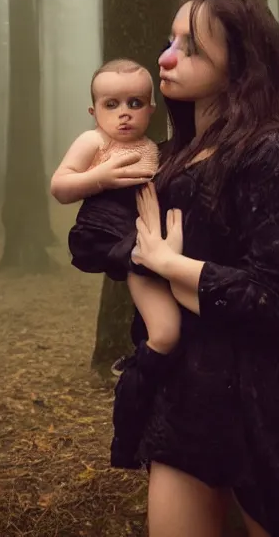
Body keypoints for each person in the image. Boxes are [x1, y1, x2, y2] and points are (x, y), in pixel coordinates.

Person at [68, 0, 279, 537]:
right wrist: (103, 188)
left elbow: (266, 299)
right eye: (171, 39)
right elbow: (89, 239)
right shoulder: (171, 157)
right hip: (183, 395)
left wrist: (168, 265)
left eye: (191, 47)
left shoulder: (271, 152)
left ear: (241, 65)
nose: (165, 57)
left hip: (255, 398)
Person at [51, 58, 184, 372]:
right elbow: (59, 186)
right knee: (165, 328)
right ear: (93, 112)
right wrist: (100, 178)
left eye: (134, 103)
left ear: (151, 110)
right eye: (111, 104)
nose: (124, 112)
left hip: (145, 234)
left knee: (174, 312)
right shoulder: (94, 141)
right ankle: (143, 363)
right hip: (109, 232)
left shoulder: (153, 147)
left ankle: (147, 354)